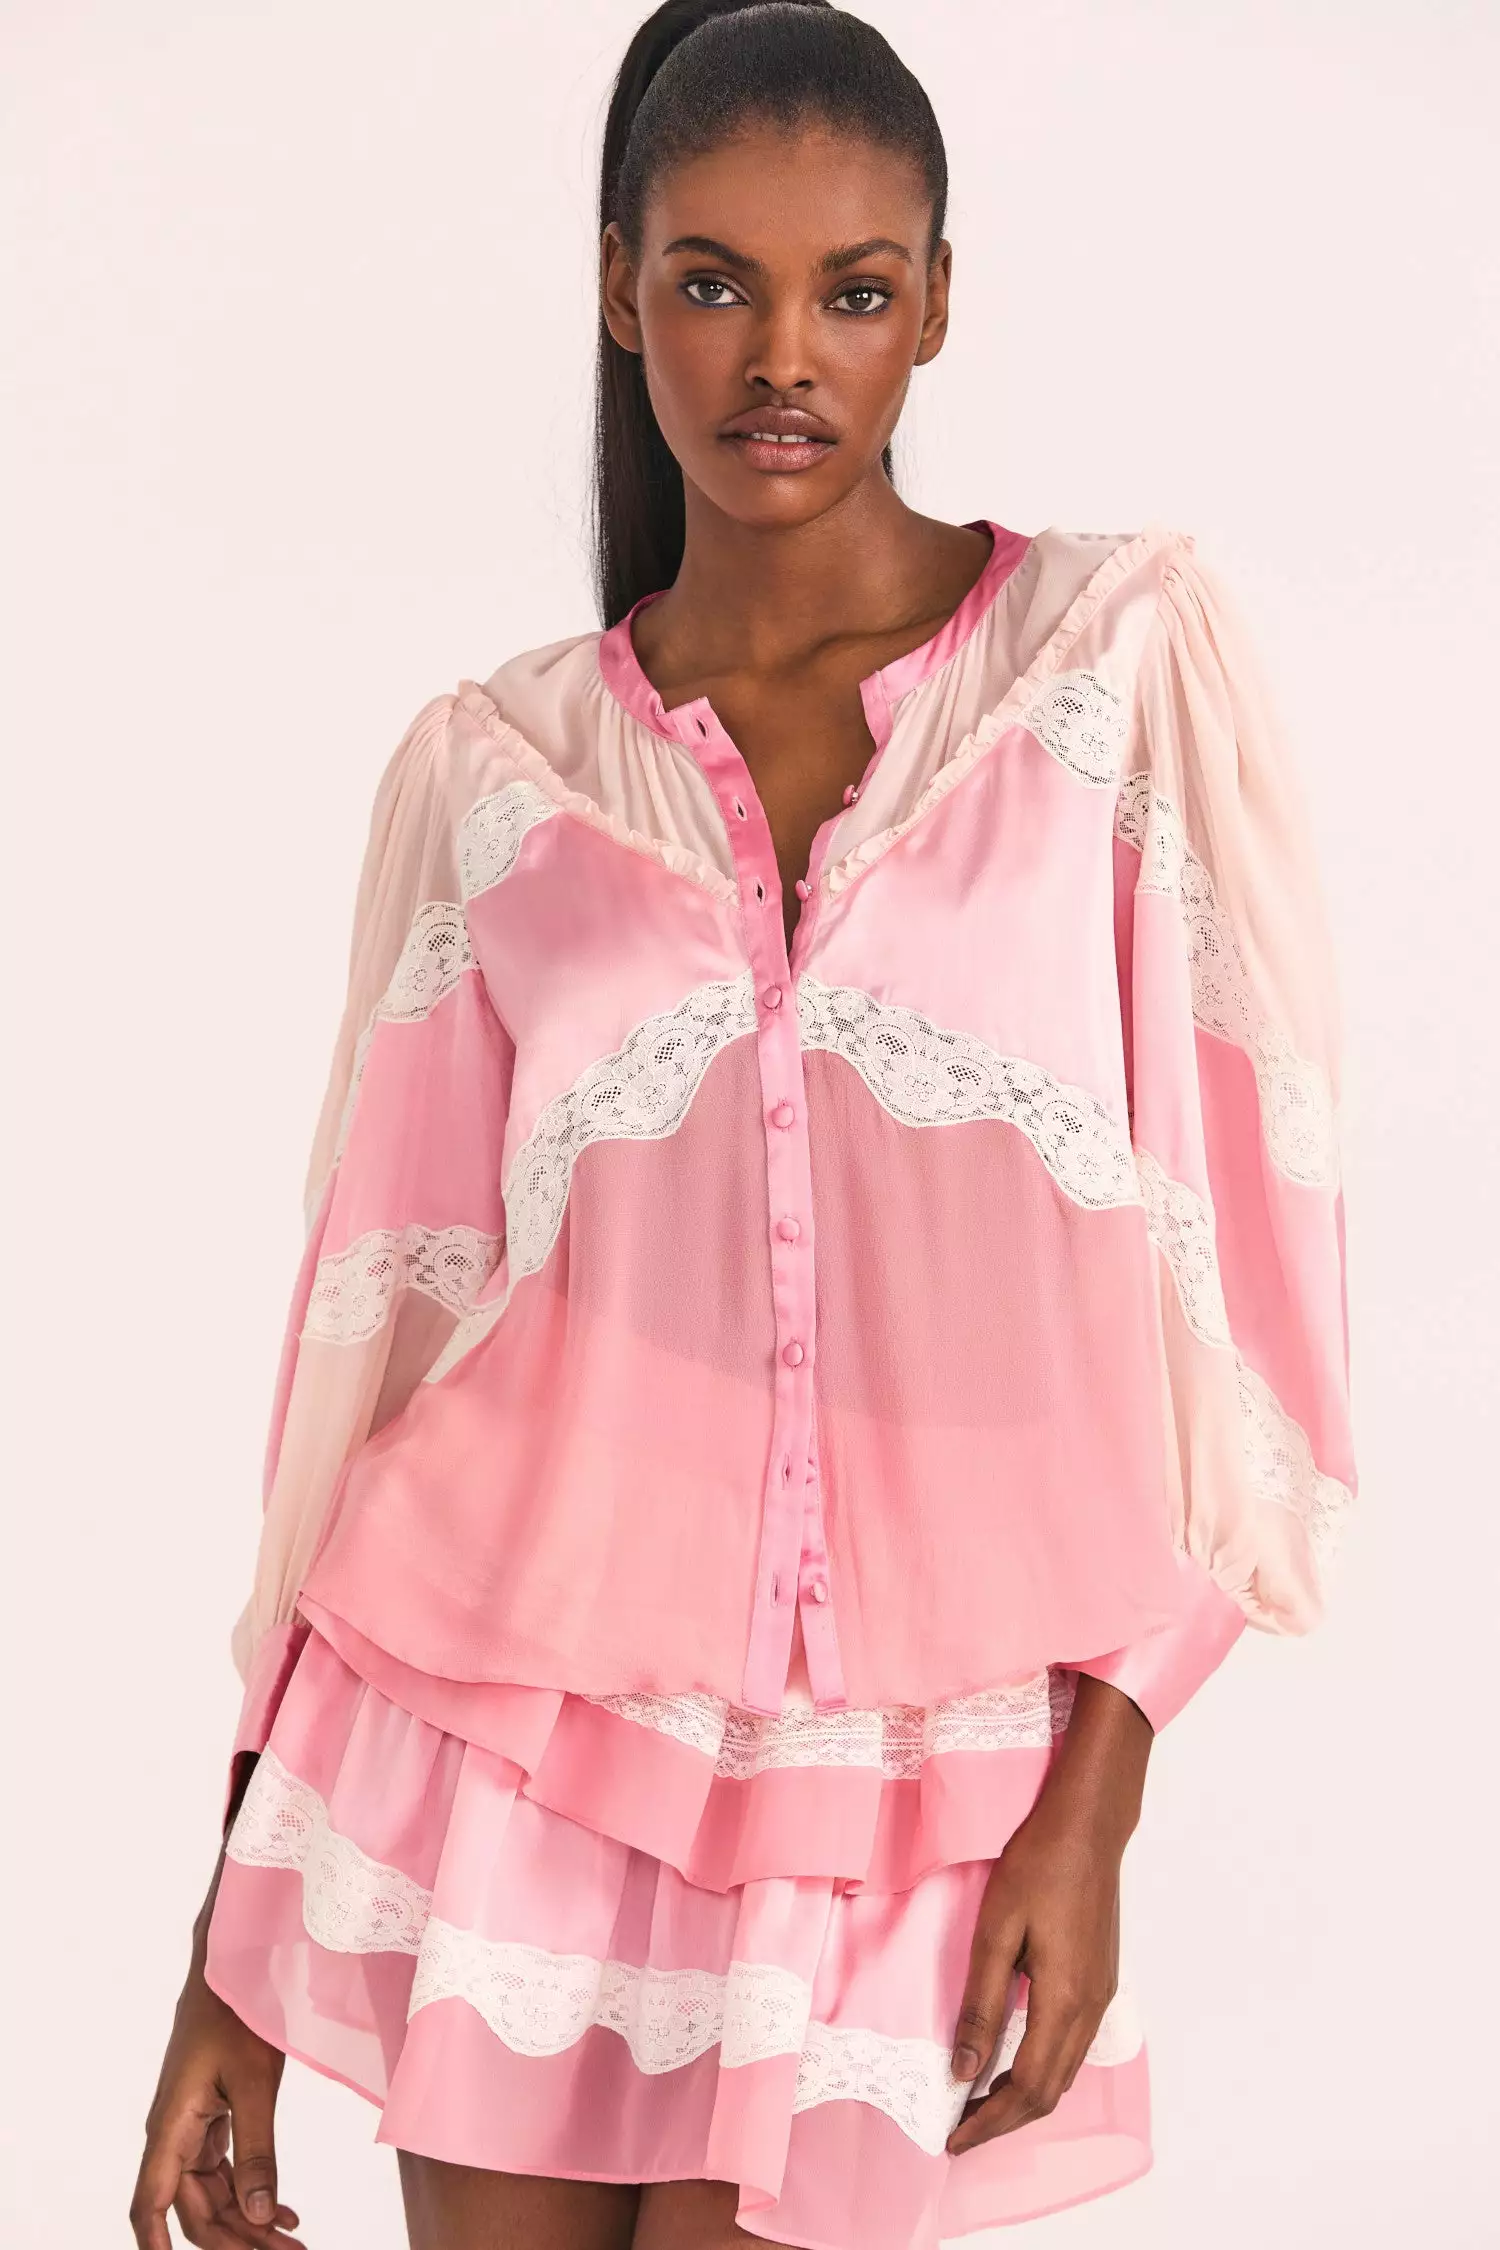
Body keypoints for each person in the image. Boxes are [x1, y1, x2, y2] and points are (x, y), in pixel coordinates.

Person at [131, 4, 1355, 2247]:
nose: (783, 356)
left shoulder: (1110, 673)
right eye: (714, 282)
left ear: (936, 305)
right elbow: (370, 1360)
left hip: (911, 1797)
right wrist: (227, 1944)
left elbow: (1244, 1282)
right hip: (496, 1757)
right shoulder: (495, 775)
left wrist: (1099, 1789)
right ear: (622, 292)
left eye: (852, 292)